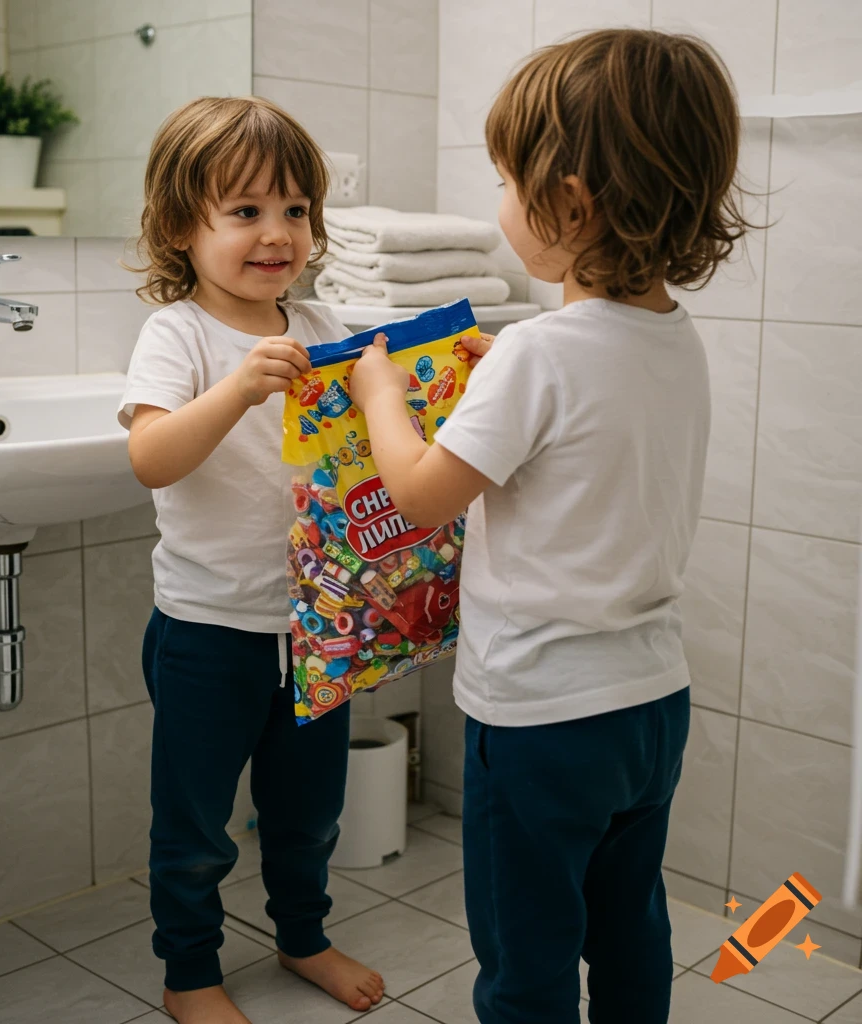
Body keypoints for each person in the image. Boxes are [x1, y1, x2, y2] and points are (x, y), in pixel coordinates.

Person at [349, 28, 753, 1024]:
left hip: (538, 718)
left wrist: (377, 396)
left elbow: (416, 499)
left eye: (503, 179)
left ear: (567, 203)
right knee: (628, 928)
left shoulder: (536, 359)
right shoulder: (671, 340)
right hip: (650, 704)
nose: (497, 203)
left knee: (525, 956)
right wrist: (502, 379)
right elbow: (586, 448)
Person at [119, 95, 384, 1024]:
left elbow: (379, 428)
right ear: (178, 226)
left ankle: (302, 937)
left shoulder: (322, 327)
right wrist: (236, 386)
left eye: (296, 210)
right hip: (207, 631)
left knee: (308, 814)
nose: (277, 234)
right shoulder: (178, 336)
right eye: (245, 212)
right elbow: (152, 456)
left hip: (315, 625)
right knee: (194, 827)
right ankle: (189, 971)